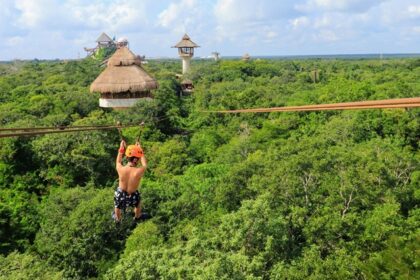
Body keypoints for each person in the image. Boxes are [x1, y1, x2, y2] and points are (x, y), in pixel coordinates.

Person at [112, 139, 147, 222]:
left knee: (117, 205)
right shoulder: (139, 171)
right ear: (136, 160)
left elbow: (118, 161)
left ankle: (118, 219)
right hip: (133, 195)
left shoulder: (120, 168)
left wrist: (121, 149)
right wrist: (140, 150)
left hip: (121, 194)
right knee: (138, 204)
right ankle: (137, 216)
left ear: (127, 157)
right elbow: (144, 164)